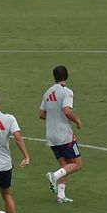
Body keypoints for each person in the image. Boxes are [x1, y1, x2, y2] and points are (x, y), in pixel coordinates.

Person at [39, 65, 82, 204]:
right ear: (66, 76)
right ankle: (54, 175)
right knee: (77, 164)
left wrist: (53, 117)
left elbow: (41, 114)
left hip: (51, 135)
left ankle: (61, 196)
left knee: (65, 165)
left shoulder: (47, 92)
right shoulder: (67, 92)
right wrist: (77, 121)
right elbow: (67, 111)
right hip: (64, 135)